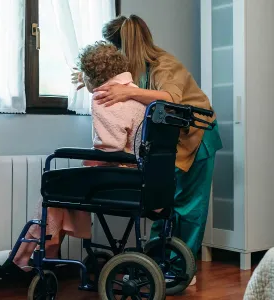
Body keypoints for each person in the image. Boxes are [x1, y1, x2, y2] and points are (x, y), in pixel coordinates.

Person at [72, 15, 222, 285]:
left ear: (123, 45)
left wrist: (127, 93)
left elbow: (172, 98)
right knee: (160, 201)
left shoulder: (164, 64)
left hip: (197, 137)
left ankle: (180, 272)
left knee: (188, 208)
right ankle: (155, 262)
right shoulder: (135, 68)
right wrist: (92, 79)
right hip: (169, 142)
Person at [0, 41, 146, 272]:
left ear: (93, 77)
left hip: (116, 178)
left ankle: (30, 253)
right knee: (65, 190)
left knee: (54, 188)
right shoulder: (136, 94)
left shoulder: (104, 98)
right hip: (139, 177)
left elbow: (111, 147)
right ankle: (45, 250)